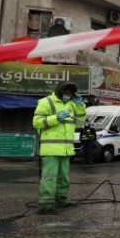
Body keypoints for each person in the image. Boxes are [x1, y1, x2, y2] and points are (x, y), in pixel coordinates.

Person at [32, 82, 86, 215]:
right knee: (49, 177)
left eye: (70, 93)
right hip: (50, 148)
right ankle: (45, 205)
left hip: (66, 148)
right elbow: (36, 122)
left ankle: (62, 200)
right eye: (66, 92)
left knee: (63, 177)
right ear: (60, 91)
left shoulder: (72, 104)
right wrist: (56, 118)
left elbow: (80, 121)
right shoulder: (46, 102)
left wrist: (80, 106)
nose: (68, 95)